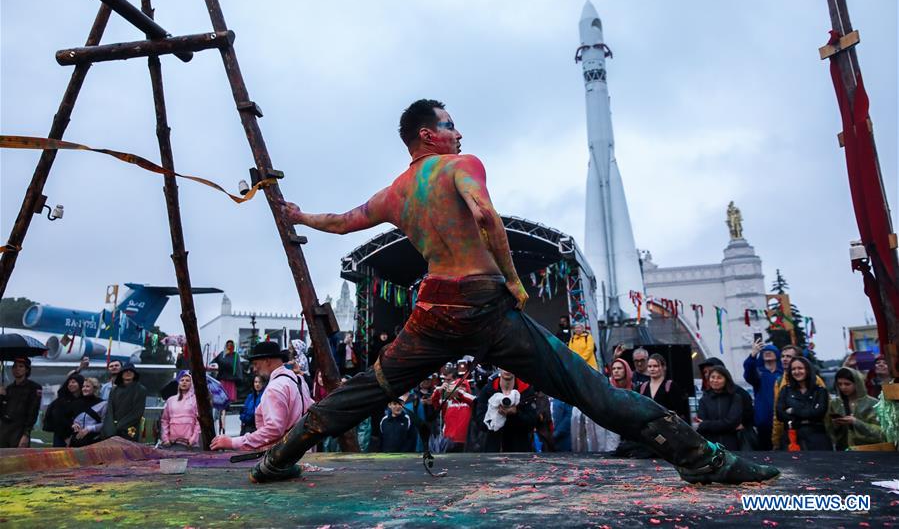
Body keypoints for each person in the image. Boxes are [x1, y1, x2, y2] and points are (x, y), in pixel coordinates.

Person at [252, 98, 778, 484]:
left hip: (433, 309)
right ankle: (702, 458)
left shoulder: (395, 194)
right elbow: (483, 213)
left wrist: (297, 215)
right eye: (450, 125)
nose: (458, 132)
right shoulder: (462, 165)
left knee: (371, 387)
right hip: (482, 304)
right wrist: (511, 277)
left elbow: (343, 222)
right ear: (428, 135)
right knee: (588, 390)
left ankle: (280, 457)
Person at [211, 341, 312, 451]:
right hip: (301, 450)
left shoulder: (275, 387)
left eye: (256, 364)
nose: (254, 369)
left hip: (283, 456)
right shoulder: (298, 380)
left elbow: (273, 430)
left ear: (267, 361)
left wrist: (233, 442)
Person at [568, 324, 614, 452]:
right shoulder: (572, 339)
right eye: (576, 328)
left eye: (579, 327)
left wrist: (578, 360)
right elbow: (569, 351)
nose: (577, 329)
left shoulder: (589, 338)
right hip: (577, 367)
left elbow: (589, 351)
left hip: (588, 366)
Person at [771, 345, 825, 450]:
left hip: (815, 436)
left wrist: (793, 411)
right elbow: (778, 414)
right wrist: (775, 440)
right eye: (782, 356)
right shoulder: (780, 383)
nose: (785, 359)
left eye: (789, 356)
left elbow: (820, 411)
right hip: (790, 436)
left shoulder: (816, 381)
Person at [477, 369, 537, 453]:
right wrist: (495, 413)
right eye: (503, 365)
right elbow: (480, 422)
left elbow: (532, 422)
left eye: (510, 365)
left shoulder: (526, 390)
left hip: (519, 450)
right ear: (498, 367)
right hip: (492, 450)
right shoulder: (488, 390)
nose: (507, 369)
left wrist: (516, 413)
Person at [827, 367, 885, 450]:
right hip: (843, 448)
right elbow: (829, 432)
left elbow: (881, 432)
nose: (843, 387)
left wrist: (856, 422)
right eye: (840, 384)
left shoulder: (872, 403)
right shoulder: (835, 403)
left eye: (847, 384)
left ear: (857, 384)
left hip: (868, 448)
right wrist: (836, 425)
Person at [743, 340, 782, 450]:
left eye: (771, 351)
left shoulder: (783, 374)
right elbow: (748, 373)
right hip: (764, 422)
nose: (767, 352)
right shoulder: (758, 374)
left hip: (781, 421)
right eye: (765, 351)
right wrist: (753, 355)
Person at [700, 357, 754, 435]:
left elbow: (748, 413)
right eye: (705, 372)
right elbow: (701, 424)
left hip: (736, 437)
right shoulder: (705, 397)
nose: (707, 374)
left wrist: (744, 424)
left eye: (710, 371)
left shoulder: (737, 394)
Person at [696, 366, 743, 451]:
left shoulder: (735, 398)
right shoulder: (704, 400)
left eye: (719, 378)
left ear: (726, 380)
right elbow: (701, 425)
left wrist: (707, 424)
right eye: (712, 377)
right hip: (710, 445)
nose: (715, 380)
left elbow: (732, 422)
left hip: (731, 444)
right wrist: (725, 425)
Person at [0, 357, 42, 448]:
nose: (17, 369)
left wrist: (26, 434)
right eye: (14, 367)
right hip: (4, 430)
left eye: (21, 366)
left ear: (27, 370)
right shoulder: (9, 389)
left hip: (20, 430)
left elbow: (33, 412)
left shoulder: (34, 388)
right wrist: (1, 396)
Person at [430, 369, 475, 453]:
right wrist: (438, 391)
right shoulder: (447, 402)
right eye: (458, 386)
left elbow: (474, 400)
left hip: (467, 442)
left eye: (463, 386)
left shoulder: (471, 401)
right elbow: (435, 402)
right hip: (448, 441)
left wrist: (459, 392)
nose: (461, 388)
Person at [101, 362, 147, 441]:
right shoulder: (114, 390)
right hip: (112, 430)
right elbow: (110, 411)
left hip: (131, 429)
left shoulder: (141, 390)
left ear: (134, 374)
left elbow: (137, 412)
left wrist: (120, 426)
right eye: (125, 371)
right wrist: (111, 428)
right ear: (121, 374)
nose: (128, 373)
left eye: (131, 371)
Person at [637, 354, 689, 422]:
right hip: (647, 428)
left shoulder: (671, 386)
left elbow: (680, 410)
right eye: (649, 366)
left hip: (667, 428)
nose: (652, 369)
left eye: (656, 366)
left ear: (663, 367)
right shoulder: (641, 388)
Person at [159, 371, 200, 450]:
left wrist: (193, 439)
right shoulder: (170, 400)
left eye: (187, 380)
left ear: (191, 384)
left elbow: (198, 422)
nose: (184, 382)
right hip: (172, 442)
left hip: (189, 443)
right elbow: (165, 420)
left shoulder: (195, 400)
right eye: (182, 380)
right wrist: (165, 438)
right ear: (179, 382)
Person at [44, 374, 84, 446]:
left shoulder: (83, 400)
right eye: (69, 382)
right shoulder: (62, 401)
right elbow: (58, 419)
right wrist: (65, 437)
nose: (70, 384)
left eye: (73, 382)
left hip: (78, 435)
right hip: (61, 435)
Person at [70, 377, 107, 448]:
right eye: (83, 386)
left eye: (87, 386)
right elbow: (70, 419)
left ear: (95, 388)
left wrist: (89, 429)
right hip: (76, 441)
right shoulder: (76, 403)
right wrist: (73, 425)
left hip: (94, 441)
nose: (84, 388)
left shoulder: (103, 403)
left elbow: (105, 424)